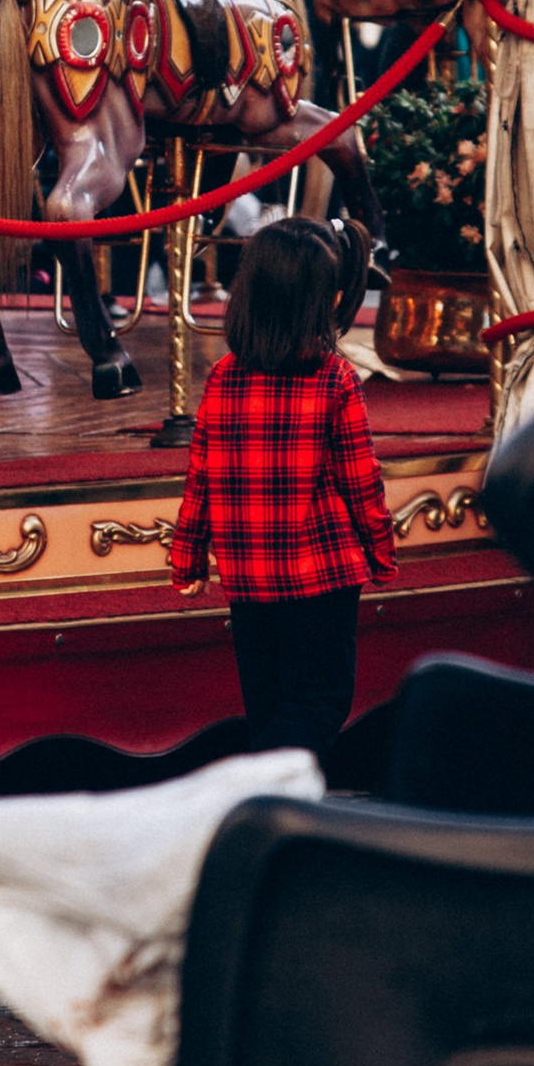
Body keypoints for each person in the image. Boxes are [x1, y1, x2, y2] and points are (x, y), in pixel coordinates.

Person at [170, 216, 396, 760]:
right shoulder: (334, 379)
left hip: (249, 577)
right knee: (319, 704)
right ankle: (253, 796)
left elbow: (201, 475)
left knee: (268, 707)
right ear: (326, 299)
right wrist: (381, 551)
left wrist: (187, 558)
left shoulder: (224, 375)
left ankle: (274, 807)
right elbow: (360, 478)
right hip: (321, 576)